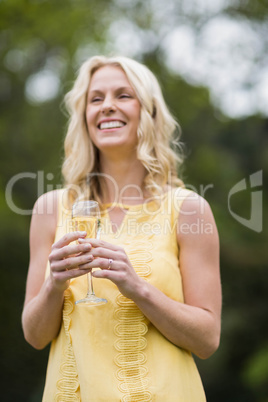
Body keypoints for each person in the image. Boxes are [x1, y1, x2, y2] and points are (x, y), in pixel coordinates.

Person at [22, 55, 222, 401]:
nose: (107, 107)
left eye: (123, 96)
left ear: (149, 111)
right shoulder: (50, 209)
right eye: (96, 99)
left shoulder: (189, 209)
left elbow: (207, 339)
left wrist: (137, 288)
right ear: (84, 117)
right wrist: (54, 284)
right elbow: (35, 335)